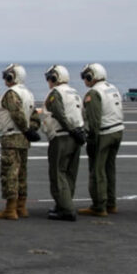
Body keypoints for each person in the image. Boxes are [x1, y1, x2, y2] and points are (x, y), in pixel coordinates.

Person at [0, 64, 41, 221]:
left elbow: (17, 114)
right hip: (23, 138)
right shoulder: (28, 93)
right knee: (22, 174)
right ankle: (21, 207)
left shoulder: (11, 93)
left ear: (12, 76)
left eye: (7, 75)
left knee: (10, 173)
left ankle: (10, 209)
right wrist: (30, 130)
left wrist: (26, 129)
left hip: (11, 137)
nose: (5, 78)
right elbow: (34, 116)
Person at [79, 63, 125, 217]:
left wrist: (91, 140)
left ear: (92, 76)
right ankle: (111, 203)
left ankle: (99, 206)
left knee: (98, 170)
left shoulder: (94, 93)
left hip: (104, 133)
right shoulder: (112, 88)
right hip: (117, 131)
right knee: (109, 168)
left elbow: (94, 121)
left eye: (86, 76)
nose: (84, 79)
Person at [41, 64, 86, 221]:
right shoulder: (74, 93)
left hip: (62, 137)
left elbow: (59, 113)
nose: (48, 81)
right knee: (69, 173)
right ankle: (64, 203)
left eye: (50, 78)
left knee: (58, 172)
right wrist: (79, 131)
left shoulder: (56, 93)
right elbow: (81, 114)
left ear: (55, 78)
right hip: (75, 136)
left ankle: (66, 209)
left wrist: (71, 129)